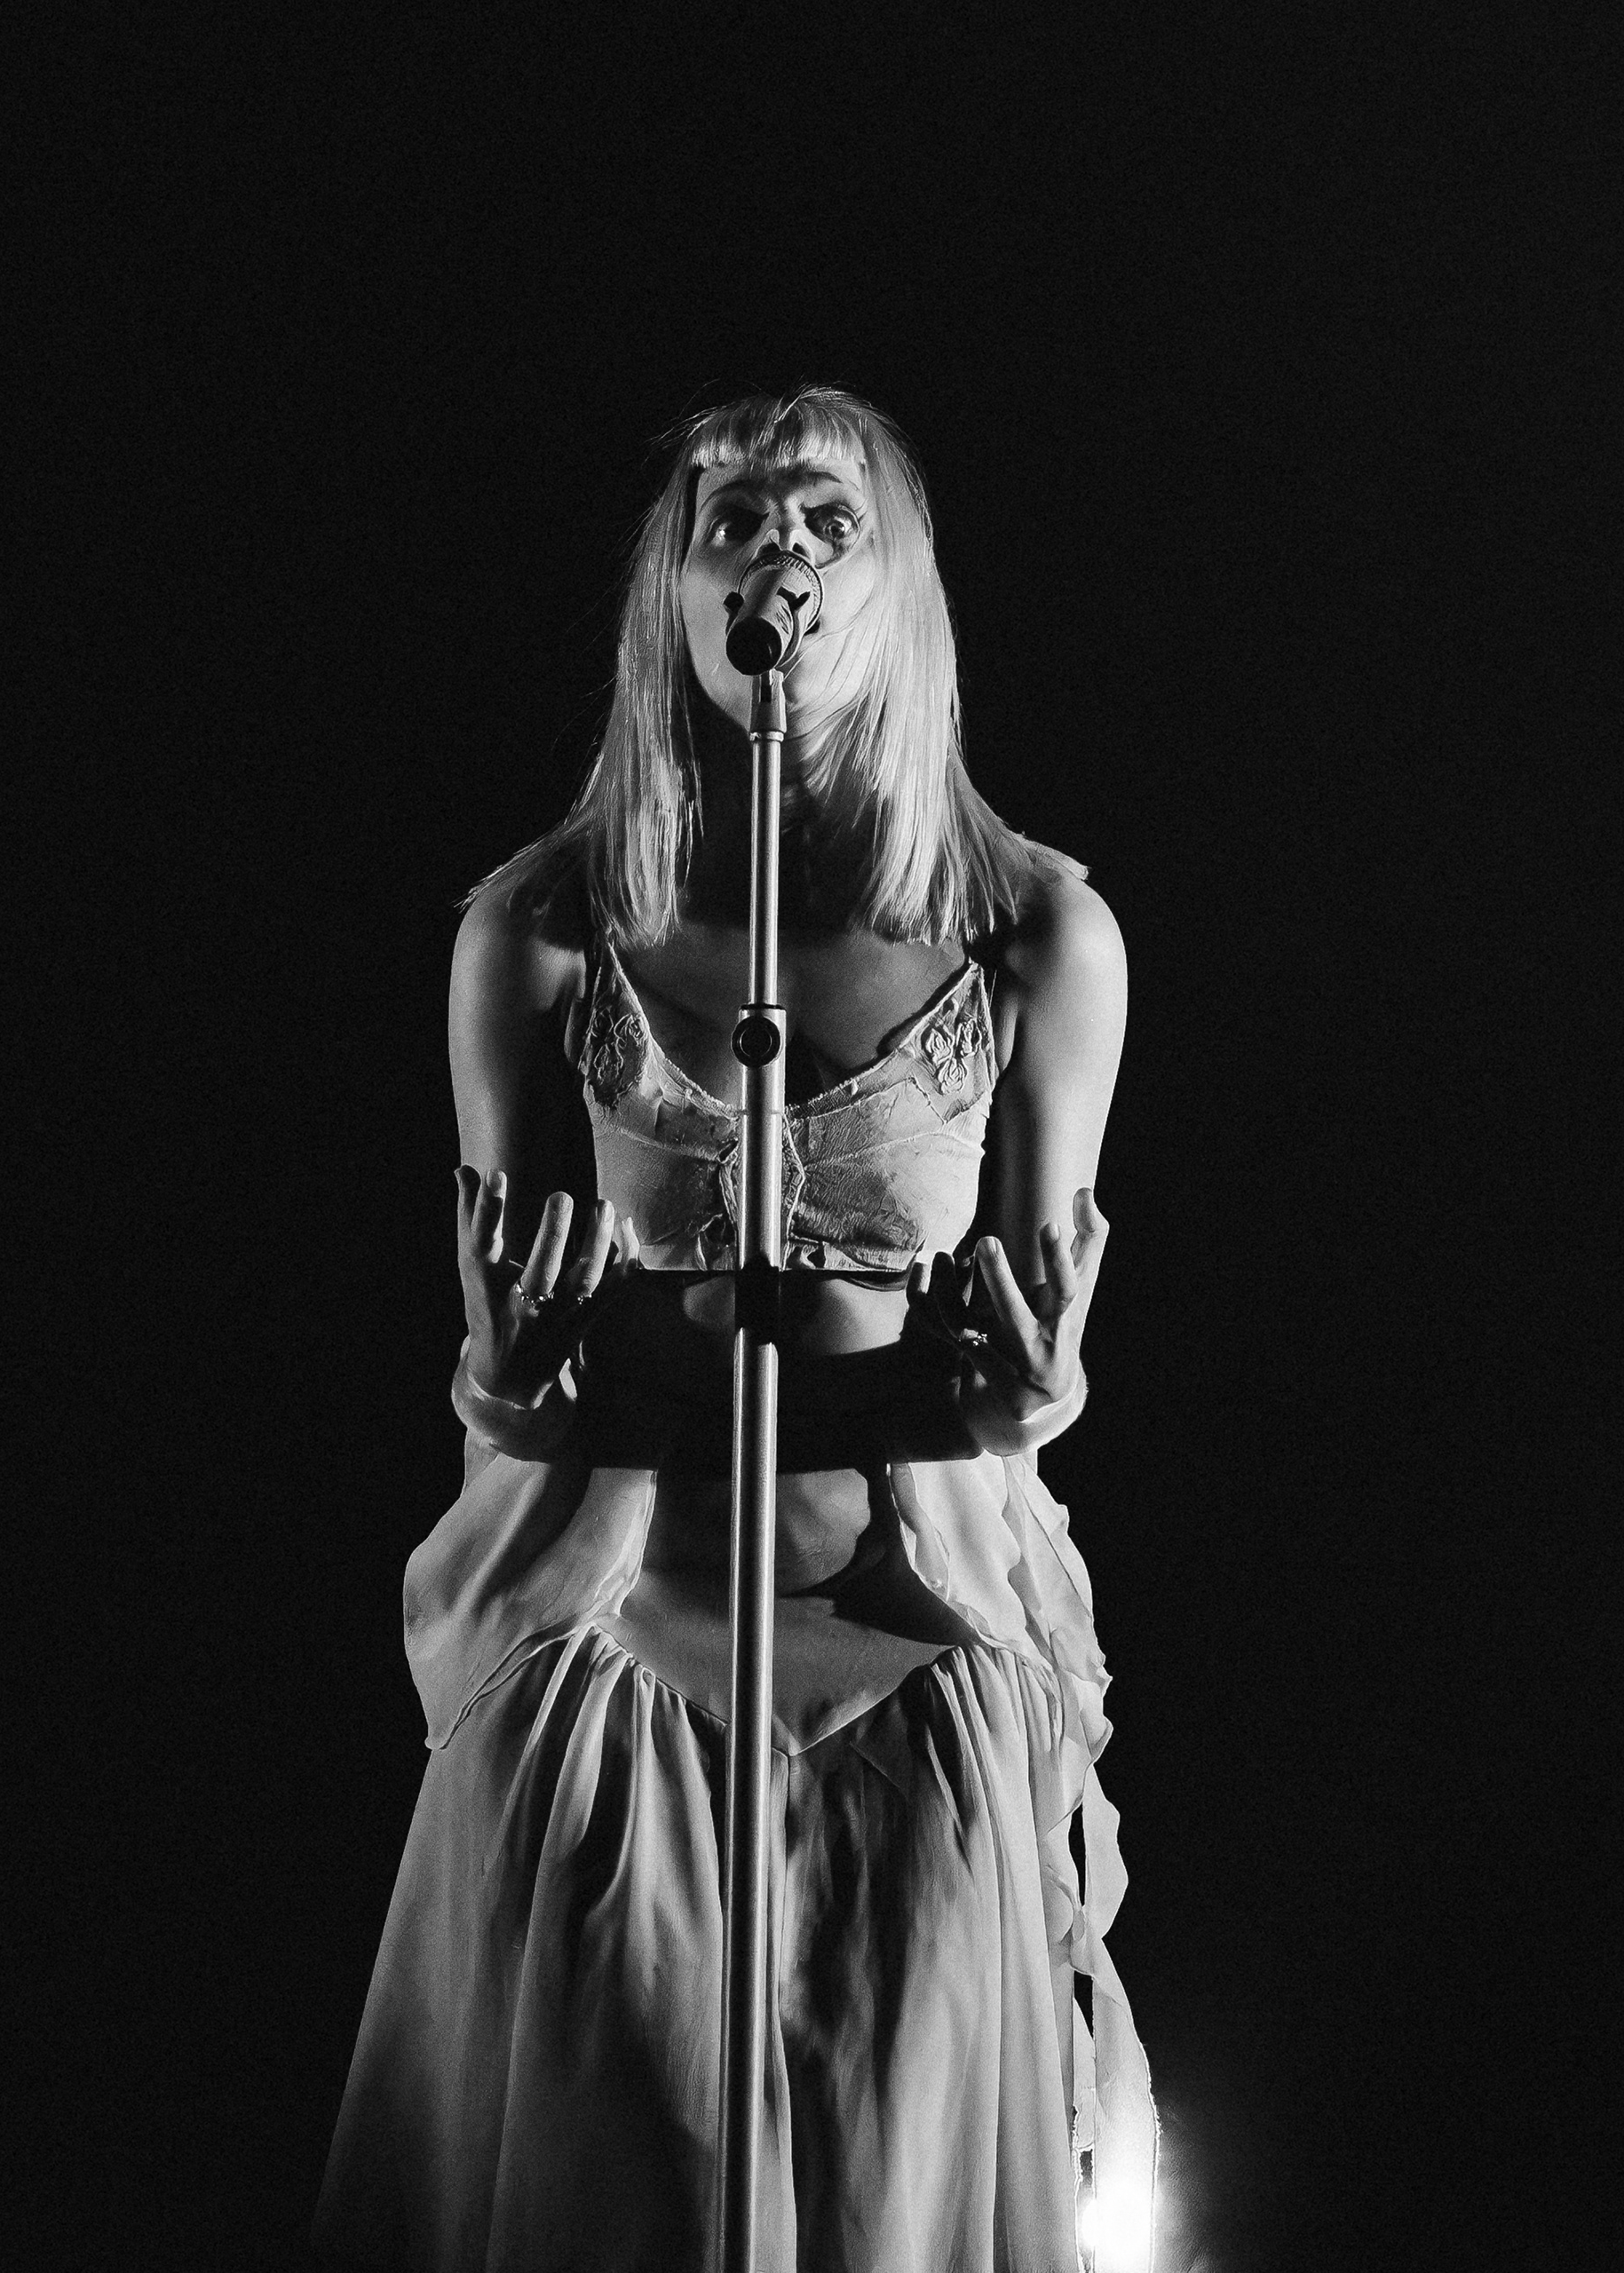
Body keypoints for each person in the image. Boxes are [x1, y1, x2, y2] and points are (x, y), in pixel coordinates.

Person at [313, 386, 1155, 2273]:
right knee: (624, 2182)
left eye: (830, 520)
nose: (781, 550)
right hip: (623, 1656)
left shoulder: (1035, 939)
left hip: (910, 1660)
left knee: (894, 2202)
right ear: (677, 593)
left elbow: (1021, 1349)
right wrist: (509, 1370)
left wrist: (1031, 1384)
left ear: (900, 587)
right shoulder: (544, 932)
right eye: (736, 520)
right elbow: (519, 1365)